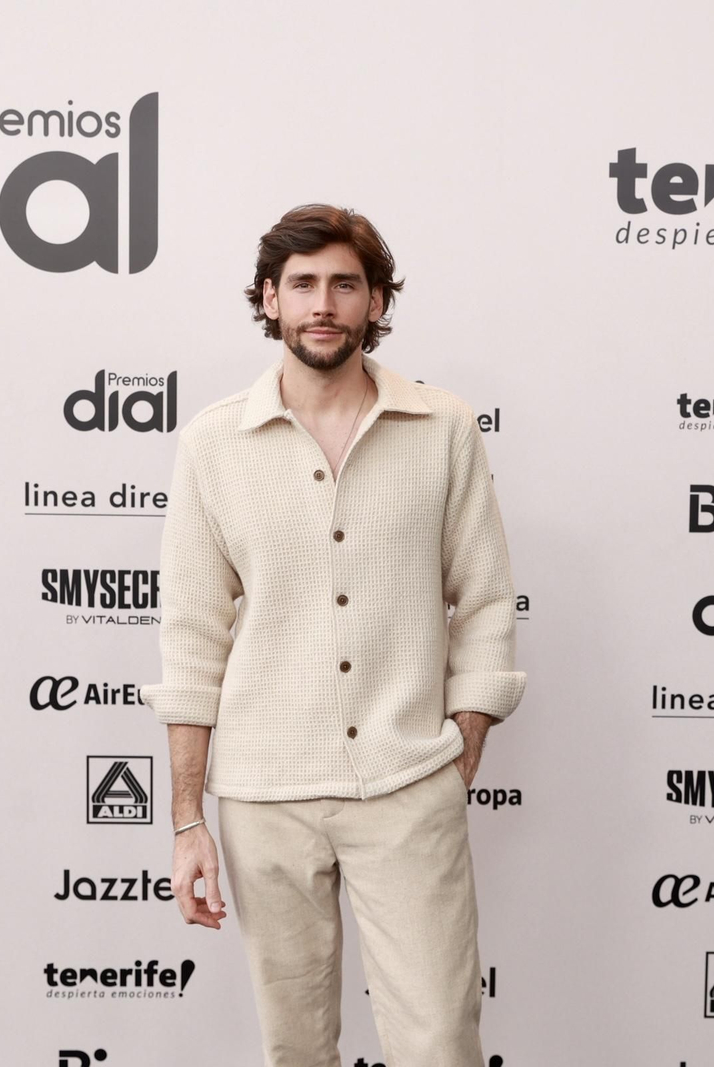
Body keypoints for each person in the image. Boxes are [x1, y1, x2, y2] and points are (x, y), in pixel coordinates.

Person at [139, 203, 526, 1066]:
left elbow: (487, 598)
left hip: (406, 781)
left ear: (376, 302)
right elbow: (192, 636)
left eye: (344, 284)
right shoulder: (211, 444)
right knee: (296, 1049)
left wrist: (463, 738)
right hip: (263, 795)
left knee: (440, 1042)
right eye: (303, 284)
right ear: (269, 299)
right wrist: (185, 819)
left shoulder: (444, 427)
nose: (323, 303)